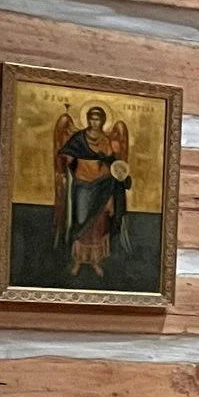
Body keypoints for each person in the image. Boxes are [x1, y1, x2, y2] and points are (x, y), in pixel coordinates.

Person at [52, 105, 131, 280]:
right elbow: (66, 156)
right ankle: (78, 260)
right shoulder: (78, 139)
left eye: (98, 119)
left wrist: (115, 186)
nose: (94, 122)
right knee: (81, 221)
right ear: (87, 119)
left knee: (99, 225)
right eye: (92, 119)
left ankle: (96, 261)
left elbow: (116, 166)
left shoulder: (108, 141)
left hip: (103, 186)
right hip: (83, 185)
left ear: (102, 121)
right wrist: (69, 160)